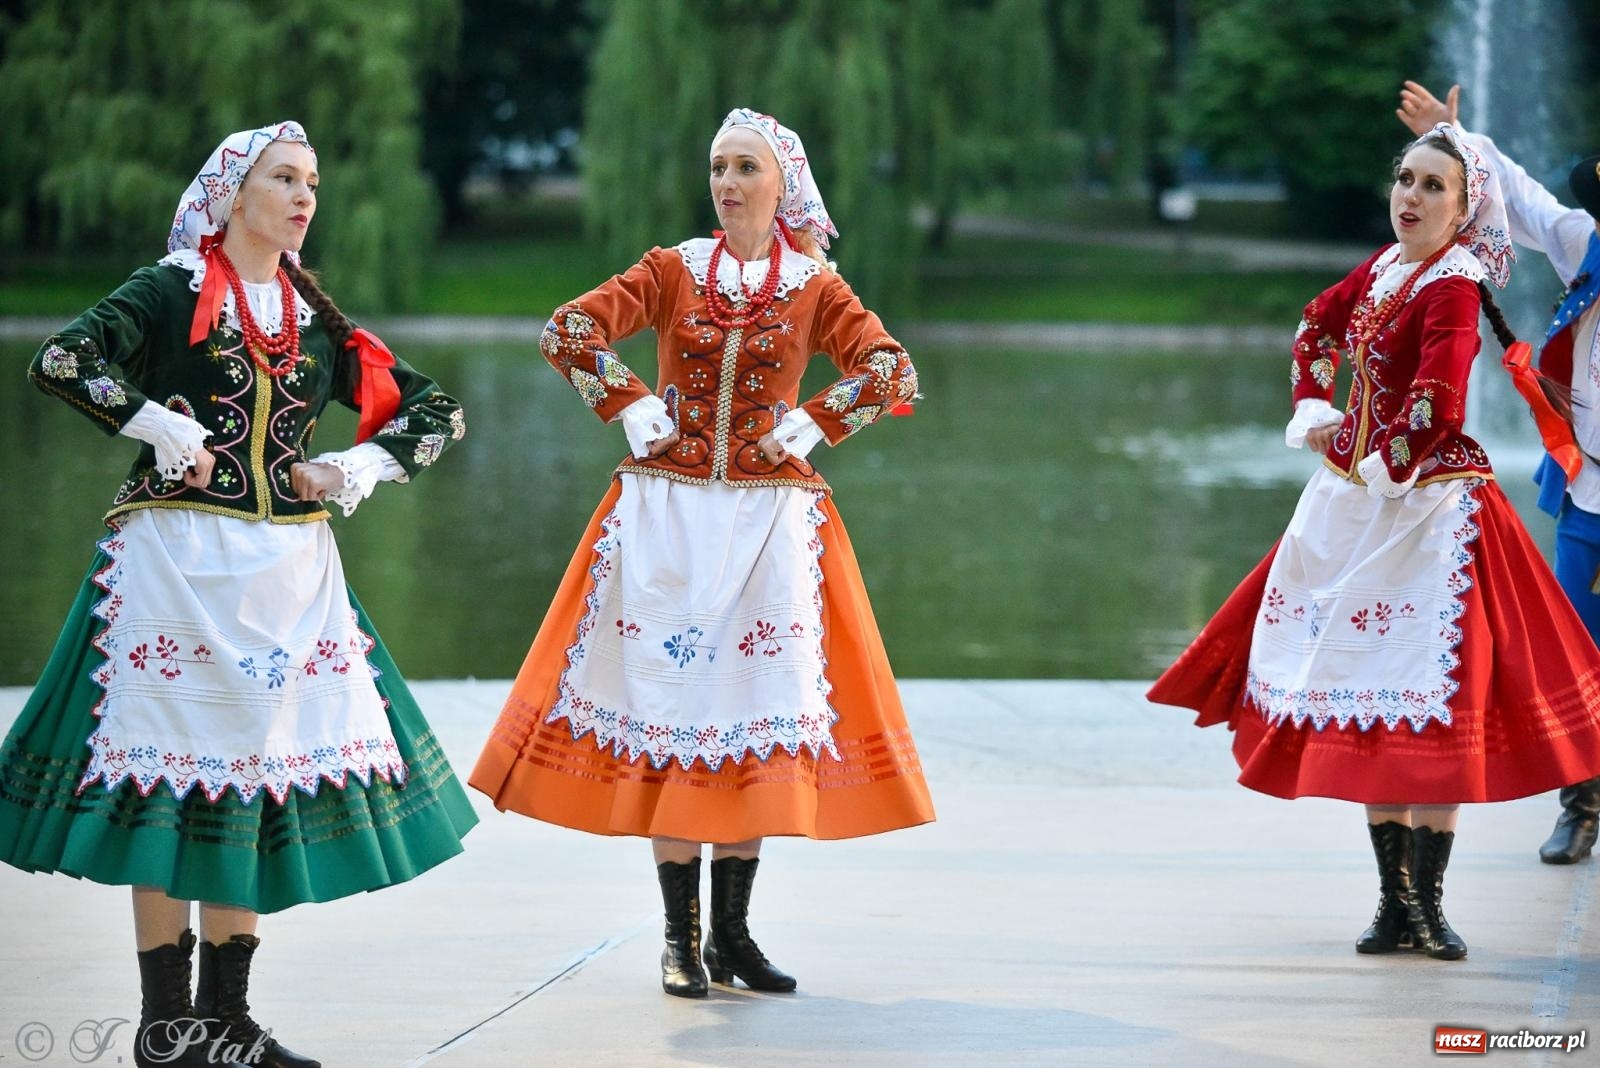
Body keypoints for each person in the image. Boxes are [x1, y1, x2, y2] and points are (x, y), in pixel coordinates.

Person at [0, 122, 477, 1067]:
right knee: (165, 782)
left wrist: (352, 466)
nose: (304, 196)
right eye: (283, 179)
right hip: (174, 568)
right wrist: (149, 423)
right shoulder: (172, 288)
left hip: (284, 581)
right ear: (232, 195)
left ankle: (226, 1022)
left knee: (251, 783)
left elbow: (438, 413)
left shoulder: (312, 319)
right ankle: (164, 1029)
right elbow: (60, 360)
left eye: (311, 181)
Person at [471, 108, 934, 998]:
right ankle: (680, 941)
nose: (726, 184)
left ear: (781, 185)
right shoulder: (674, 270)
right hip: (669, 522)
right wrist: (632, 404)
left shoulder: (814, 287)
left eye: (744, 168)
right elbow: (568, 329)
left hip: (766, 531)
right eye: (718, 167)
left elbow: (892, 371)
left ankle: (733, 936)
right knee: (673, 714)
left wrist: (813, 421)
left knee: (746, 721)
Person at [1146, 123, 1600, 960]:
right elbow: (1316, 326)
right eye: (1405, 178)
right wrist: (1318, 413)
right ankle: (1394, 905)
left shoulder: (1456, 282)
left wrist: (1382, 463)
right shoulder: (1386, 268)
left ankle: (1426, 905)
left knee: (1434, 704)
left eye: (1434, 186)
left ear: (1465, 212)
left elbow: (1439, 400)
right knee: (1366, 688)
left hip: (1433, 514)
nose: (1411, 197)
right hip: (1363, 499)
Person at [1396, 81, 1600, 866]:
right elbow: (1521, 197)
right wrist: (1454, 134)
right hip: (1590, 486)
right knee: (1579, 645)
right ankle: (1581, 802)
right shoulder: (1590, 243)